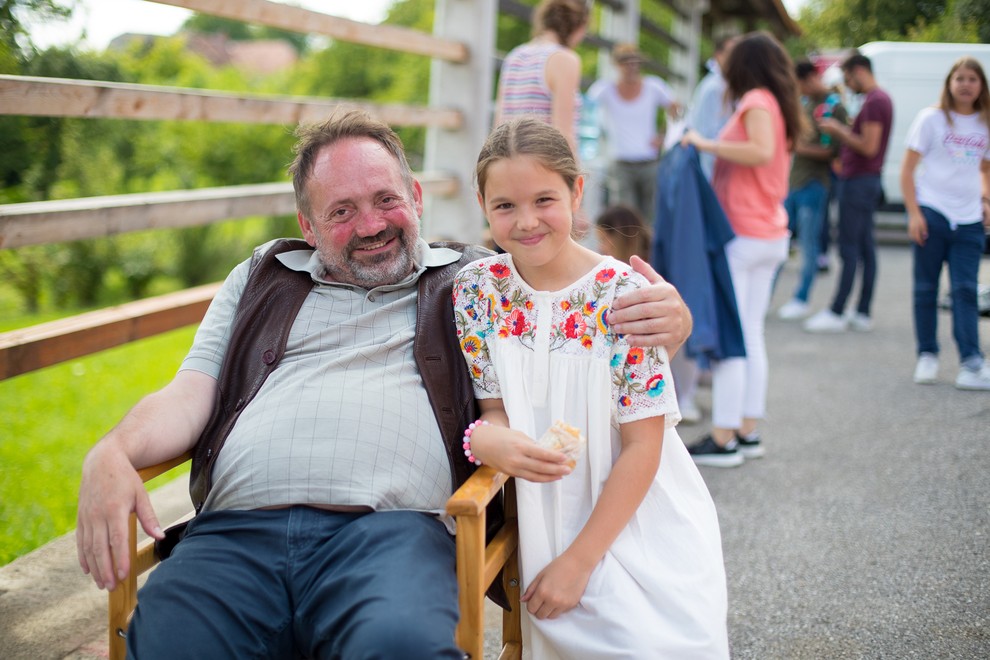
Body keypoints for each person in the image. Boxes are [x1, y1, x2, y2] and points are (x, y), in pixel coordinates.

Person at [74, 110, 694, 658]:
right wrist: (113, 450)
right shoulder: (263, 277)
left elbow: (567, 298)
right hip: (236, 532)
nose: (371, 224)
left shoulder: (475, 282)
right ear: (308, 223)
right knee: (173, 646)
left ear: (417, 196)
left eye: (385, 199)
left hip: (391, 533)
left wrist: (674, 317)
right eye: (341, 211)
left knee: (400, 645)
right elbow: (188, 394)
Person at [453, 117, 728, 658]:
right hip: (547, 525)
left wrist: (579, 563)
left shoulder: (627, 296)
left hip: (637, 521)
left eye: (544, 199)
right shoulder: (476, 291)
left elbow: (644, 446)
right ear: (482, 204)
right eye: (505, 205)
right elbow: (494, 409)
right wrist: (483, 440)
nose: (526, 221)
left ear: (578, 191)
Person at [681, 31, 804, 466]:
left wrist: (704, 142)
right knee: (751, 332)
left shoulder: (754, 101)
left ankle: (723, 437)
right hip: (767, 232)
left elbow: (758, 151)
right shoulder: (777, 102)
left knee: (734, 336)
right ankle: (746, 431)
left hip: (744, 234)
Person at [901, 57, 990, 390]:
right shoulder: (932, 119)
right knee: (926, 289)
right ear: (949, 83)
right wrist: (914, 213)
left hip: (968, 220)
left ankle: (971, 363)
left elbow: (985, 169)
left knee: (965, 291)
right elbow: (907, 170)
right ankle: (927, 355)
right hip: (932, 213)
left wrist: (985, 200)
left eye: (972, 79)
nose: (966, 84)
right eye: (960, 78)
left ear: (981, 85)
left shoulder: (985, 123)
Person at [805, 53, 894, 333]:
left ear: (858, 71)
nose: (846, 83)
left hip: (858, 182)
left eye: (847, 77)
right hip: (863, 181)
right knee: (865, 247)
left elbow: (868, 147)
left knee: (850, 247)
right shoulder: (877, 100)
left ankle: (838, 310)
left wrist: (838, 130)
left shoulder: (875, 101)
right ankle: (861, 311)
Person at [777, 60, 849, 321]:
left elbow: (833, 153)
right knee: (780, 243)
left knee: (809, 246)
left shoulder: (834, 107)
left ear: (809, 78)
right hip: (793, 185)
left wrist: (797, 147)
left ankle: (802, 299)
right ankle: (768, 298)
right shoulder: (806, 104)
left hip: (814, 186)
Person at [587, 43, 681, 221]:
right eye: (625, 62)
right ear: (616, 65)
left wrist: (664, 136)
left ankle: (647, 250)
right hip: (620, 163)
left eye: (634, 62)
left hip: (650, 163)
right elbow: (586, 109)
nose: (631, 67)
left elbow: (676, 108)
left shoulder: (654, 86)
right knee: (624, 218)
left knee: (652, 217)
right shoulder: (604, 89)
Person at [494, 0, 589, 156]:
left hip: (509, 162)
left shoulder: (515, 55)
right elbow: (564, 134)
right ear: (578, 26)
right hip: (543, 166)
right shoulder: (564, 59)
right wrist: (575, 177)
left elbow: (499, 123)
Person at [685, 35, 738, 181]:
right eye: (732, 53)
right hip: (713, 173)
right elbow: (707, 135)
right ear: (718, 55)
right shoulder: (714, 88)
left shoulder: (724, 85)